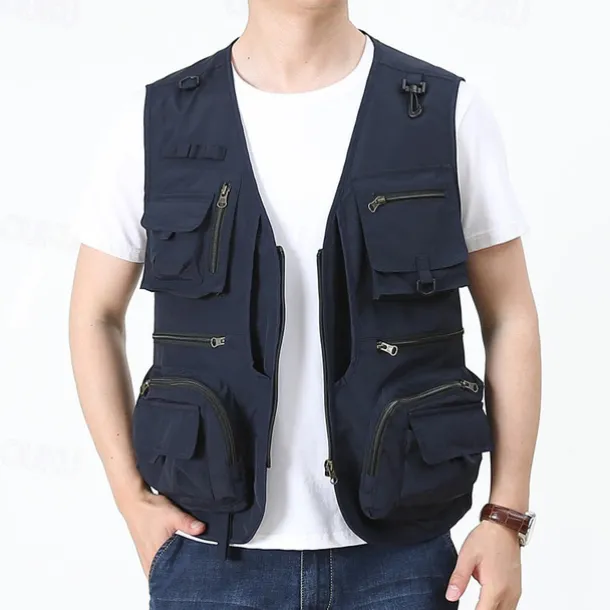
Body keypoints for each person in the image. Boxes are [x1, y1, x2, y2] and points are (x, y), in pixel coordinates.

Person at [69, 1, 541, 608]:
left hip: (406, 558)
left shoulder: (446, 112)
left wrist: (506, 516)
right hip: (209, 556)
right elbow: (93, 314)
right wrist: (129, 497)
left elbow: (510, 316)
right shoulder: (156, 120)